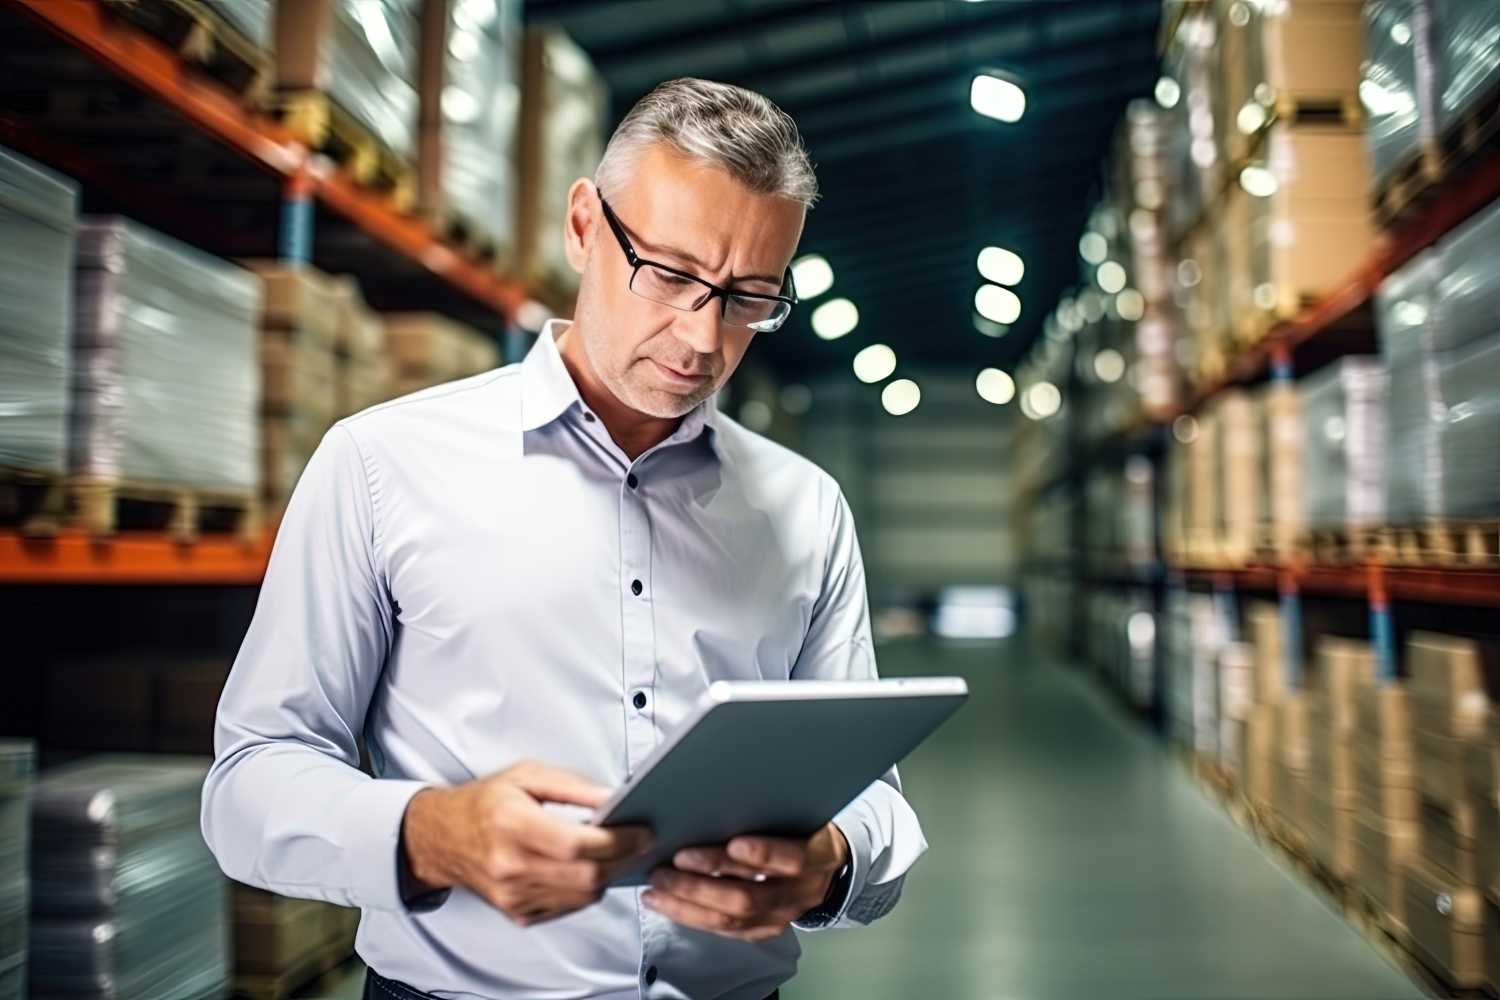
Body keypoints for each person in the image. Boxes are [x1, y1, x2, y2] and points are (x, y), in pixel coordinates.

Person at [202, 77, 927, 1000]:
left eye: (749, 299)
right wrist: (432, 833)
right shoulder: (382, 464)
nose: (702, 337)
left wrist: (829, 863)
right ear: (584, 226)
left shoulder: (805, 509)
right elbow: (250, 783)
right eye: (669, 274)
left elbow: (872, 799)